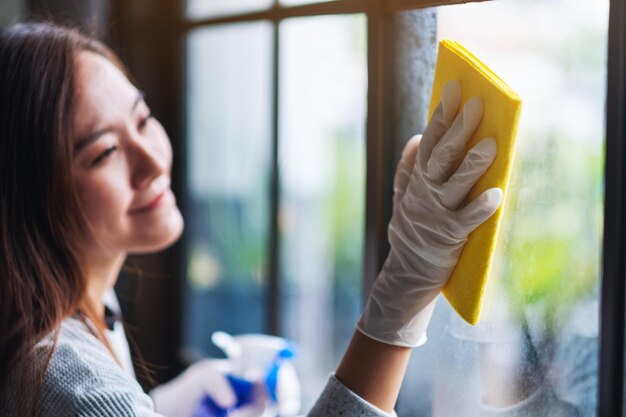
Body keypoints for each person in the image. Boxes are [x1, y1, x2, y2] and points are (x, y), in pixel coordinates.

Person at [0, 22, 502, 417]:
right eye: (105, 152)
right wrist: (398, 303)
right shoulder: (63, 374)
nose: (152, 159)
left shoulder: (79, 306)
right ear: (26, 190)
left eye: (143, 119)